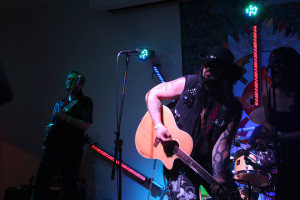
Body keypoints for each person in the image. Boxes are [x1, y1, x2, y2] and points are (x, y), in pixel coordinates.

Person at [145, 46, 243, 200]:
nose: (208, 68)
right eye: (206, 64)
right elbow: (152, 95)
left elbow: (223, 143)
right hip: (179, 162)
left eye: (214, 65)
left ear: (226, 72)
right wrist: (159, 125)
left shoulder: (233, 108)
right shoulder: (189, 83)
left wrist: (218, 175)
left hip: (205, 165)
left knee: (231, 195)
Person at [32, 71, 93, 200]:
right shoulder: (60, 103)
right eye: (68, 79)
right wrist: (50, 128)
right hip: (53, 148)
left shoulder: (85, 101)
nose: (69, 81)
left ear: (80, 84)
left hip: (71, 149)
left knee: (70, 186)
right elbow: (54, 123)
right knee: (40, 182)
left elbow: (86, 125)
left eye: (73, 80)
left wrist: (68, 119)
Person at [257, 47, 300, 200]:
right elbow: (269, 124)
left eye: (279, 68)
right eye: (272, 69)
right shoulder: (268, 93)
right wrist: (264, 136)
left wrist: (285, 136)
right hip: (285, 161)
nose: (273, 72)